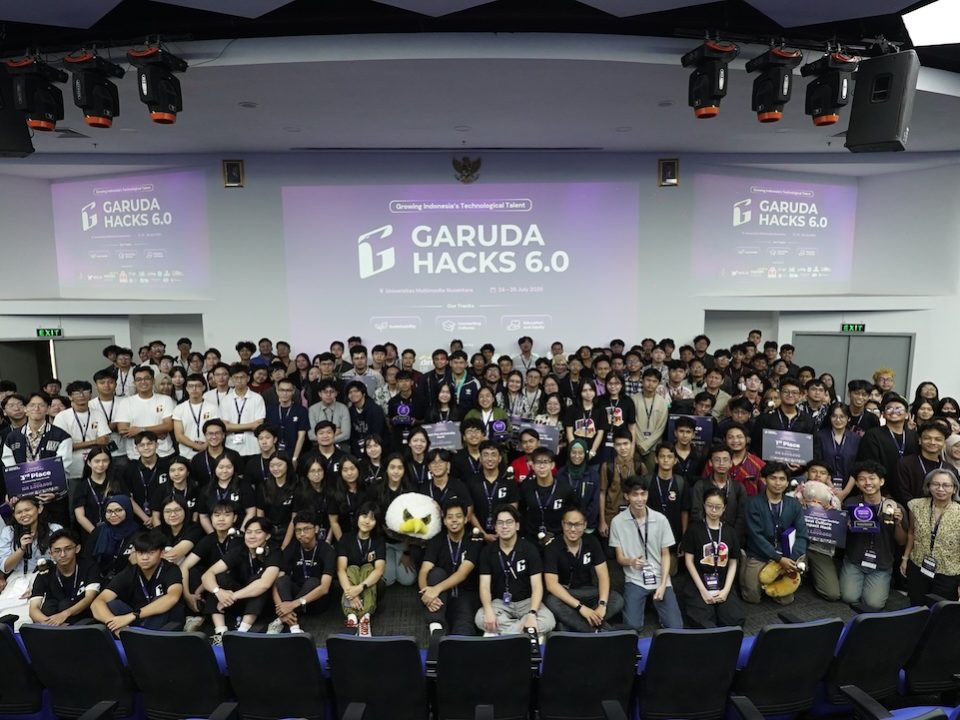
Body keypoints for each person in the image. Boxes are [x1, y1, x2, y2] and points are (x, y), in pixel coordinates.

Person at [609, 475, 683, 630]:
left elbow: (665, 555)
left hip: (660, 578)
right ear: (626, 496)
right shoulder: (617, 522)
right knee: (632, 628)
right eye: (635, 495)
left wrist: (663, 584)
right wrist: (631, 561)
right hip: (635, 579)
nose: (640, 499)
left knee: (676, 628)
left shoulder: (660, 519)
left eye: (643, 494)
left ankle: (663, 616)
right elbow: (619, 558)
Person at [475, 504, 556, 637]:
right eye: (500, 523)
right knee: (480, 617)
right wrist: (488, 611)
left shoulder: (529, 549)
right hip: (500, 603)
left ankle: (505, 634)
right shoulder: (487, 552)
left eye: (509, 522)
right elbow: (484, 586)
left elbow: (537, 586)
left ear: (517, 526)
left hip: (527, 601)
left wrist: (532, 613)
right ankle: (524, 632)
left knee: (549, 620)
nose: (504, 526)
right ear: (495, 527)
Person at [543, 506, 623, 632]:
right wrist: (581, 608)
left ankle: (573, 625)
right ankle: (598, 630)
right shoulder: (552, 547)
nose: (573, 529)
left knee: (616, 599)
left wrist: (602, 605)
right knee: (552, 601)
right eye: (569, 524)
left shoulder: (592, 541)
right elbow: (551, 585)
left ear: (585, 525)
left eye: (578, 524)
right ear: (562, 524)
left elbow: (603, 575)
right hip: (567, 593)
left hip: (588, 591)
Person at [201, 517, 282, 641]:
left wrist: (232, 596)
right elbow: (207, 574)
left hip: (262, 604)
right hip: (237, 600)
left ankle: (241, 633)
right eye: (248, 532)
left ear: (267, 536)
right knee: (218, 578)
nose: (252, 536)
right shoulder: (240, 550)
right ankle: (220, 633)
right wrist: (218, 592)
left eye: (258, 532)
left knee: (258, 582)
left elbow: (264, 584)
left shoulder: (274, 551)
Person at [841, 461, 907, 611]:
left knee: (874, 604)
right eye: (862, 479)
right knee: (848, 597)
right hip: (855, 560)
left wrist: (898, 523)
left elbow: (902, 541)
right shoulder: (851, 503)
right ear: (857, 484)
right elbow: (840, 534)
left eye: (872, 478)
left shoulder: (894, 507)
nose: (867, 483)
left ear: (881, 481)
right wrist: (847, 525)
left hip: (881, 564)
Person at [91, 528, 185, 634]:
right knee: (112, 605)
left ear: (162, 553)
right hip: (138, 621)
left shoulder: (171, 569)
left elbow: (173, 597)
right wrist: (114, 624)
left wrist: (133, 615)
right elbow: (97, 603)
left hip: (163, 622)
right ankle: (132, 636)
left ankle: (141, 637)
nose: (145, 558)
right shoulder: (130, 571)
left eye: (151, 553)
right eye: (140, 553)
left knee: (163, 602)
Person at [1, 392, 74, 526]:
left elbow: (63, 468)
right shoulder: (12, 438)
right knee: (26, 535)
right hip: (23, 500)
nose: (36, 408)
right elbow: (9, 468)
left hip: (53, 498)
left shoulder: (62, 436)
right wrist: (13, 491)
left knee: (57, 533)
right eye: (32, 405)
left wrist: (54, 492)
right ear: (25, 409)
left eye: (41, 405)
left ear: (48, 409)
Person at [741, 462, 809, 605]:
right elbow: (756, 537)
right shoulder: (752, 503)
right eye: (773, 478)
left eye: (782, 479)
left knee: (785, 600)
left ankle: (772, 581)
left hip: (787, 555)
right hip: (760, 554)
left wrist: (793, 558)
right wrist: (777, 558)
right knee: (752, 597)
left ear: (787, 482)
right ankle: (746, 565)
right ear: (764, 480)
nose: (778, 483)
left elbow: (802, 534)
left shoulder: (794, 504)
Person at [681, 488, 745, 628]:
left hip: (722, 581)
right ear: (704, 505)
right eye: (709, 506)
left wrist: (726, 590)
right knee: (703, 622)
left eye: (718, 507)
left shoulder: (730, 531)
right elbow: (688, 561)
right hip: (699, 581)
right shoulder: (694, 529)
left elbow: (733, 562)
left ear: (724, 508)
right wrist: (703, 591)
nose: (713, 510)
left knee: (734, 620)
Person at [418, 498, 482, 636]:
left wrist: (435, 589)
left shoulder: (474, 540)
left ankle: (459, 640)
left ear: (465, 519)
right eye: (450, 517)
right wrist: (425, 593)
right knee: (436, 573)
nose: (454, 521)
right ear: (444, 521)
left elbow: (462, 573)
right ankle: (436, 628)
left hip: (465, 593)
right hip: (442, 595)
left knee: (463, 627)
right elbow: (424, 571)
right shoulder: (437, 540)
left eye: (458, 516)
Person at [0, 496, 63, 626]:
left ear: (39, 509)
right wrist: (21, 549)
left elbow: (61, 561)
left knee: (28, 617)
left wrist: (38, 586)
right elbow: (5, 567)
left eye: (27, 510)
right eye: (19, 512)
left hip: (47, 576)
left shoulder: (54, 529)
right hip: (17, 578)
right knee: (5, 614)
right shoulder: (9, 532)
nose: (24, 515)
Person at [270, 511, 336, 634]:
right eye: (298, 530)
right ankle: (293, 625)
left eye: (306, 529)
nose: (302, 534)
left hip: (316, 601)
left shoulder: (327, 550)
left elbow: (324, 588)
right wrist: (281, 608)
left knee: (313, 581)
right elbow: (276, 583)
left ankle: (284, 620)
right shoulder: (293, 547)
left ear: (316, 529)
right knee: (283, 580)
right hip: (295, 597)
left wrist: (291, 605)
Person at [902, 469, 960, 605]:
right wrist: (905, 558)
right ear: (928, 486)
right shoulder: (916, 506)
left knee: (940, 611)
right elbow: (911, 532)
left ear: (954, 489)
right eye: (935, 484)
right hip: (918, 566)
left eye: (946, 485)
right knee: (917, 607)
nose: (940, 489)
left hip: (948, 573)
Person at [179, 503, 241, 631]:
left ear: (235, 518)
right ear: (211, 518)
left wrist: (201, 588)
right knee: (193, 571)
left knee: (220, 576)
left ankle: (220, 629)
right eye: (216, 515)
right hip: (211, 583)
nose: (221, 519)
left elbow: (225, 570)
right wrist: (187, 595)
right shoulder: (209, 539)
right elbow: (185, 566)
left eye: (226, 515)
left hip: (235, 583)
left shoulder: (239, 539)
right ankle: (195, 616)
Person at [28, 528, 101, 625]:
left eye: (68, 549)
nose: (62, 554)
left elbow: (89, 598)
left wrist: (65, 614)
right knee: (48, 607)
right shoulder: (45, 573)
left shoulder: (89, 566)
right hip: (55, 621)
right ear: (50, 553)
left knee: (65, 605)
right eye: (57, 551)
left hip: (82, 617)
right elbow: (33, 609)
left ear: (77, 548)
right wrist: (51, 624)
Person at [793, 460, 842, 602]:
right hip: (797, 545)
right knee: (789, 586)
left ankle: (811, 573)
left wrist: (832, 513)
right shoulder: (793, 496)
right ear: (807, 474)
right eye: (814, 471)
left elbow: (837, 530)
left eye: (823, 473)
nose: (818, 475)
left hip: (820, 549)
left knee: (832, 594)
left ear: (828, 478)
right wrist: (798, 506)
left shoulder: (834, 502)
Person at [336, 501, 386, 637]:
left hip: (368, 584)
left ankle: (365, 618)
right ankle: (351, 617)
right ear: (358, 517)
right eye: (364, 516)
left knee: (368, 568)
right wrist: (351, 594)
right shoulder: (346, 538)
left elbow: (379, 570)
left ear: (376, 523)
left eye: (372, 519)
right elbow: (341, 569)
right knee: (351, 569)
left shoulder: (378, 540)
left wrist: (360, 588)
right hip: (349, 586)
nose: (367, 521)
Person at [689, 445, 748, 543]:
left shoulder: (738, 488)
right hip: (705, 538)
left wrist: (732, 539)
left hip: (732, 539)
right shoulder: (700, 486)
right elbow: (696, 514)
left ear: (731, 463)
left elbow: (741, 518)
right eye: (717, 460)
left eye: (725, 460)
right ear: (710, 463)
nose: (721, 463)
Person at [115, 366, 176, 460]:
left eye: (147, 378)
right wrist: (157, 433)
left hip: (164, 452)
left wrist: (140, 430)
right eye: (138, 379)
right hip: (136, 455)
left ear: (153, 380)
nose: (143, 382)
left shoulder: (165, 399)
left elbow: (168, 426)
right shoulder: (126, 402)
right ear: (134, 383)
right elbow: (123, 431)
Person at [857, 393, 918, 486]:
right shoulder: (873, 435)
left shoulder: (913, 436)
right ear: (883, 414)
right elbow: (870, 465)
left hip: (908, 486)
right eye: (889, 408)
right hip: (881, 487)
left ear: (906, 415)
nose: (894, 411)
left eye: (898, 408)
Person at [518, 448, 574, 543]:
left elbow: (571, 513)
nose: (542, 466)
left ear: (552, 465)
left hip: (558, 538)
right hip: (531, 538)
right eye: (538, 462)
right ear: (532, 466)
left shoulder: (564, 488)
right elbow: (521, 511)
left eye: (546, 462)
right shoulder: (526, 487)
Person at [896, 420, 957, 506]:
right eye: (927, 438)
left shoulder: (950, 469)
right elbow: (901, 493)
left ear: (944, 443)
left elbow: (954, 496)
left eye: (938, 439)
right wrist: (917, 509)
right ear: (920, 440)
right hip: (912, 510)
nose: (932, 442)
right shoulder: (905, 464)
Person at [468, 440, 519, 541]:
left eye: (493, 455)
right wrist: (483, 534)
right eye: (486, 455)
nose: (490, 459)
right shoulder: (472, 481)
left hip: (505, 533)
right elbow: (470, 513)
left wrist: (501, 531)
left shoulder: (508, 481)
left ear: (499, 458)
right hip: (478, 535)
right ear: (480, 458)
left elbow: (513, 509)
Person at [85, 495, 140, 582]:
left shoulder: (138, 533)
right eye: (109, 511)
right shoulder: (99, 531)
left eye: (118, 510)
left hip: (127, 580)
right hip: (98, 579)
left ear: (128, 510)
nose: (113, 515)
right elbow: (88, 558)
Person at [73, 447, 126, 537]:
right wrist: (98, 534)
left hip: (118, 531)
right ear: (89, 463)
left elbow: (128, 502)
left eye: (105, 461)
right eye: (97, 461)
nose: (101, 464)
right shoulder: (82, 486)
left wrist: (145, 518)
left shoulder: (116, 482)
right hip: (92, 534)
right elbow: (80, 517)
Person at [123, 431, 172, 526]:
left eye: (150, 444)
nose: (146, 448)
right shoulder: (130, 469)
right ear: (136, 448)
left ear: (157, 445)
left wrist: (156, 517)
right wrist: (145, 518)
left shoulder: (168, 466)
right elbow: (128, 497)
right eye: (141, 445)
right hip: (138, 519)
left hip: (166, 517)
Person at [813, 402, 861, 500]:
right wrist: (831, 487)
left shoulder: (856, 439)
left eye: (842, 416)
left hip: (851, 490)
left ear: (848, 418)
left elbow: (857, 466)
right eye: (834, 416)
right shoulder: (820, 436)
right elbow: (818, 463)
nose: (838, 420)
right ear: (829, 417)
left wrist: (845, 492)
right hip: (824, 486)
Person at [198, 455, 257, 533]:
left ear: (234, 468)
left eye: (229, 467)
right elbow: (203, 516)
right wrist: (212, 535)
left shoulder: (244, 486)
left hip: (239, 531)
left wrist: (241, 533)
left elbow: (251, 512)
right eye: (221, 467)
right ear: (215, 468)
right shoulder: (206, 489)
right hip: (214, 532)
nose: (224, 471)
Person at [599, 428, 640, 538]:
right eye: (618, 444)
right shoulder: (607, 466)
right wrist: (602, 521)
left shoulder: (639, 466)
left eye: (626, 443)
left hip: (634, 517)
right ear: (614, 446)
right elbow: (602, 493)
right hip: (611, 517)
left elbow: (644, 493)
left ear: (631, 444)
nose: (622, 448)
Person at [220, 364, 267, 457]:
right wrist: (251, 425)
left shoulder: (257, 398)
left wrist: (232, 426)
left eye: (242, 377)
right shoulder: (225, 400)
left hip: (253, 447)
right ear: (231, 379)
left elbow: (258, 425)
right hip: (231, 447)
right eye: (236, 377)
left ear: (248, 378)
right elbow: (225, 427)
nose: (239, 380)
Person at [172, 373, 220, 461]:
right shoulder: (179, 408)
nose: (194, 389)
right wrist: (197, 446)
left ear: (204, 387)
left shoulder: (213, 408)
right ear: (186, 388)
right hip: (186, 454)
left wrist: (205, 446)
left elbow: (216, 431)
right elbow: (179, 436)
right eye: (191, 386)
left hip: (209, 451)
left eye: (198, 386)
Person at [556, 439, 600, 533]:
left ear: (585, 454)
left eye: (580, 453)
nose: (577, 456)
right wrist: (567, 521)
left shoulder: (593, 475)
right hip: (565, 525)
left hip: (587, 525)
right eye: (574, 452)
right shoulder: (561, 473)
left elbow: (594, 503)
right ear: (569, 453)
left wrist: (581, 522)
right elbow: (557, 499)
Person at [256, 452, 298, 547]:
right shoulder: (263, 486)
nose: (275, 468)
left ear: (287, 465)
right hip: (268, 531)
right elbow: (260, 515)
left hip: (289, 531)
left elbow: (294, 519)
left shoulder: (296, 486)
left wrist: (284, 545)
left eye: (279, 465)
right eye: (272, 465)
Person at [632, 369, 670, 473]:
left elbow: (661, 428)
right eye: (648, 380)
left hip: (653, 448)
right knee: (633, 477)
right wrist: (639, 443)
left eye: (654, 381)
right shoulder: (633, 399)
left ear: (658, 383)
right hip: (635, 446)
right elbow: (631, 424)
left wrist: (646, 445)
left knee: (650, 477)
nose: (650, 384)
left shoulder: (663, 402)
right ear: (642, 381)